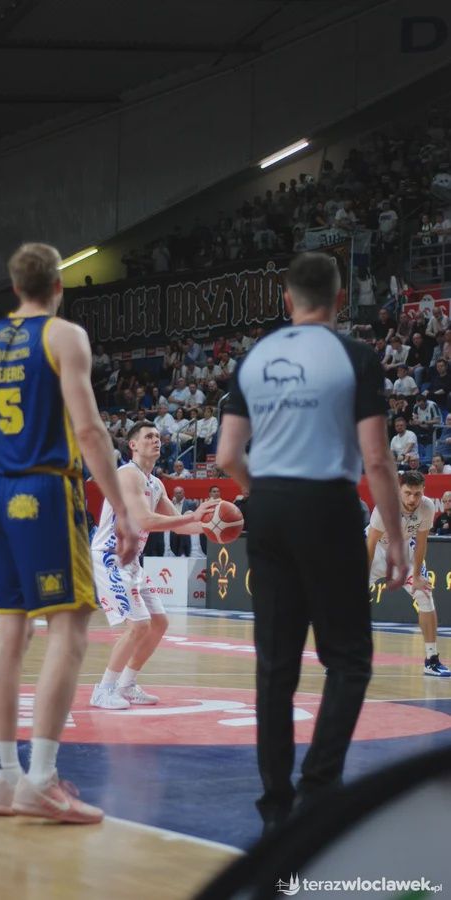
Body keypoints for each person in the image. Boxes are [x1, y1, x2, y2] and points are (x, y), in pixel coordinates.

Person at [0, 243, 138, 824]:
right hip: (47, 491)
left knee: (10, 633)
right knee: (69, 631)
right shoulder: (65, 337)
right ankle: (41, 779)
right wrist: (121, 508)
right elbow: (90, 431)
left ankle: (5, 778)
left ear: (15, 288)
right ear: (58, 286)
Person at [216, 251, 406, 833]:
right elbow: (376, 458)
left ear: (286, 300)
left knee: (275, 664)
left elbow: (227, 455)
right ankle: (319, 789)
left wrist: (266, 495)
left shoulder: (254, 357)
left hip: (269, 506)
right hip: (328, 506)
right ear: (340, 299)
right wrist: (396, 537)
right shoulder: (355, 357)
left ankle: (276, 807)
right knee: (347, 658)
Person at [90, 421, 216, 709]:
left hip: (132, 560)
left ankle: (126, 685)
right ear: (133, 445)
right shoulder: (127, 474)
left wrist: (212, 528)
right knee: (138, 625)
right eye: (149, 436)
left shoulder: (155, 483)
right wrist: (192, 516)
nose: (156, 440)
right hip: (110, 556)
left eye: (158, 436)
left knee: (159, 623)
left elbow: (180, 526)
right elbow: (146, 521)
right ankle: (104, 689)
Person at [367, 471, 450, 676]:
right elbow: (371, 543)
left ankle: (431, 660)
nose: (412, 499)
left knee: (425, 595)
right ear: (398, 490)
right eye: (407, 493)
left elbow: (421, 543)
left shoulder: (427, 507)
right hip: (376, 552)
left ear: (423, 491)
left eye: (417, 493)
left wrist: (418, 575)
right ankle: (340, 658)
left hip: (403, 554)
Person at [169, 485, 198, 557]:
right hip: (174, 533)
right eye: (176, 493)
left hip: (186, 534)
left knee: (187, 554)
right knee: (174, 554)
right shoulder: (171, 504)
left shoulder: (191, 504)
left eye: (180, 492)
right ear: (174, 494)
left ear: (183, 493)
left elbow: (195, 518)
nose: (178, 494)